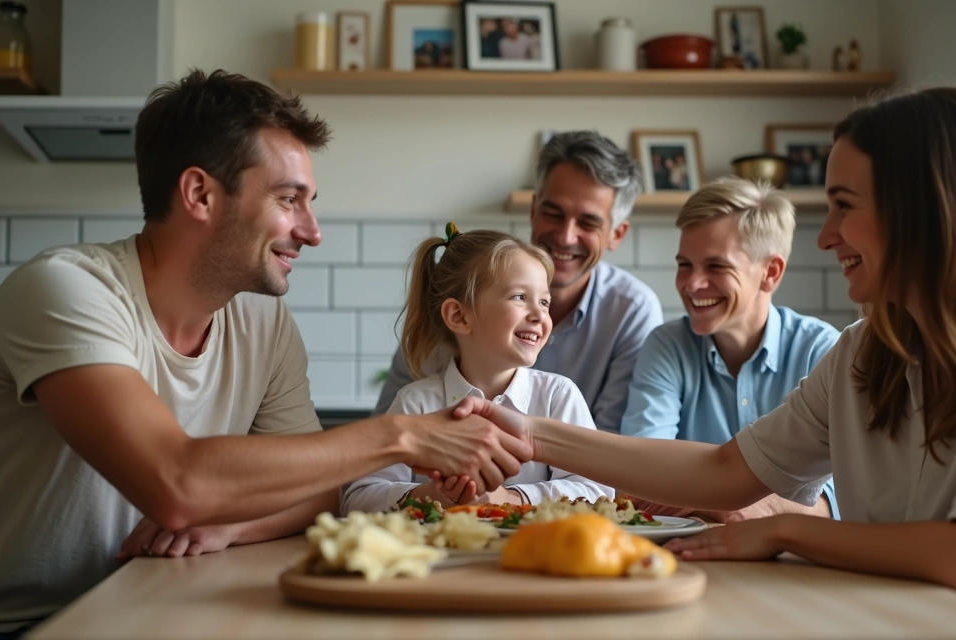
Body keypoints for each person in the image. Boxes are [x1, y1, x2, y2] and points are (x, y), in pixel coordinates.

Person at [440, 87, 956, 639]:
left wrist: (786, 528)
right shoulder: (868, 350)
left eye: (843, 207)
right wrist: (532, 434)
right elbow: (726, 472)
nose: (827, 236)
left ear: (924, 209)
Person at [0, 69, 528, 639]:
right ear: (200, 194)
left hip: (133, 604)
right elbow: (175, 481)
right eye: (289, 200)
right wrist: (402, 436)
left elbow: (315, 492)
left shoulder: (263, 322)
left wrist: (232, 523)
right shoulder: (66, 290)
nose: (313, 231)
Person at [374, 131, 663, 434]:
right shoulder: (460, 293)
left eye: (588, 223)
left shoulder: (632, 311)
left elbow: (610, 450)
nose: (566, 237)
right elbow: (384, 438)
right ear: (534, 210)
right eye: (553, 213)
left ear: (617, 233)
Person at [345, 228, 612, 513]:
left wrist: (512, 499)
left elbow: (598, 490)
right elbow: (357, 499)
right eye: (519, 297)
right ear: (459, 316)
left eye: (544, 301)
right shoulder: (416, 403)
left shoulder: (558, 397)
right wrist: (431, 494)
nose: (540, 315)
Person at [621, 177, 840, 521]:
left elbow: (840, 499)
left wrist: (717, 501)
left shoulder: (821, 350)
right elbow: (642, 475)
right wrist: (740, 504)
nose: (692, 284)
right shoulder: (666, 346)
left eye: (716, 266)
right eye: (684, 265)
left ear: (770, 272)